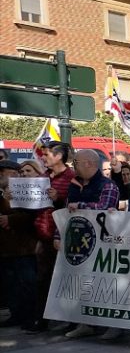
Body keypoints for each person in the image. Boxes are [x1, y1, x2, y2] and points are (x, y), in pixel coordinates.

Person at [63, 149, 121, 340]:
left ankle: (112, 324)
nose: (74, 166)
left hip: (103, 243)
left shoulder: (108, 186)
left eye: (76, 162)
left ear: (88, 163)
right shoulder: (75, 185)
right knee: (83, 284)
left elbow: (105, 207)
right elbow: (66, 213)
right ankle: (85, 323)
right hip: (79, 243)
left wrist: (81, 206)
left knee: (105, 284)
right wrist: (58, 236)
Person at [25, 142, 76, 333]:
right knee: (43, 279)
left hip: (62, 236)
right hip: (43, 234)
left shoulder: (71, 178)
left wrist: (59, 199)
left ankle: (70, 321)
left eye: (46, 154)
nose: (43, 158)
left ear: (58, 156)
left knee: (65, 279)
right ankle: (42, 319)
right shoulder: (42, 177)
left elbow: (72, 206)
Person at [0, 159, 37, 328]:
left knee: (26, 283)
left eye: (4, 172)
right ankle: (16, 314)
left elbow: (29, 215)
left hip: (24, 247)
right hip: (6, 248)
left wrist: (9, 217)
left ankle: (29, 316)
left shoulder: (26, 190)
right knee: (11, 284)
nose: (1, 175)